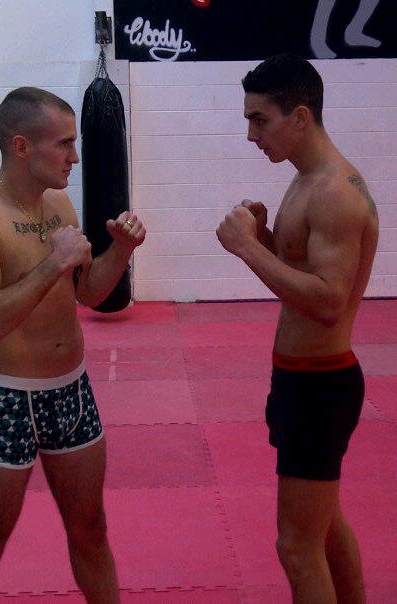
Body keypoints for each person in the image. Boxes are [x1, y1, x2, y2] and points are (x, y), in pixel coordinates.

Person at [0, 87, 145, 603]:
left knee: (92, 529)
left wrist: (121, 251)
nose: (75, 157)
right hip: (4, 397)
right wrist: (53, 262)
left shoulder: (58, 205)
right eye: (64, 144)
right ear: (21, 147)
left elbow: (88, 293)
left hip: (71, 392)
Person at [216, 54, 378, 603]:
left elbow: (329, 302)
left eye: (260, 120)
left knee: (296, 546)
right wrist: (265, 240)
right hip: (300, 379)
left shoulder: (335, 192)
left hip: (320, 385)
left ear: (301, 117)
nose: (251, 135)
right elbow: (303, 279)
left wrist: (246, 250)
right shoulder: (307, 179)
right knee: (324, 527)